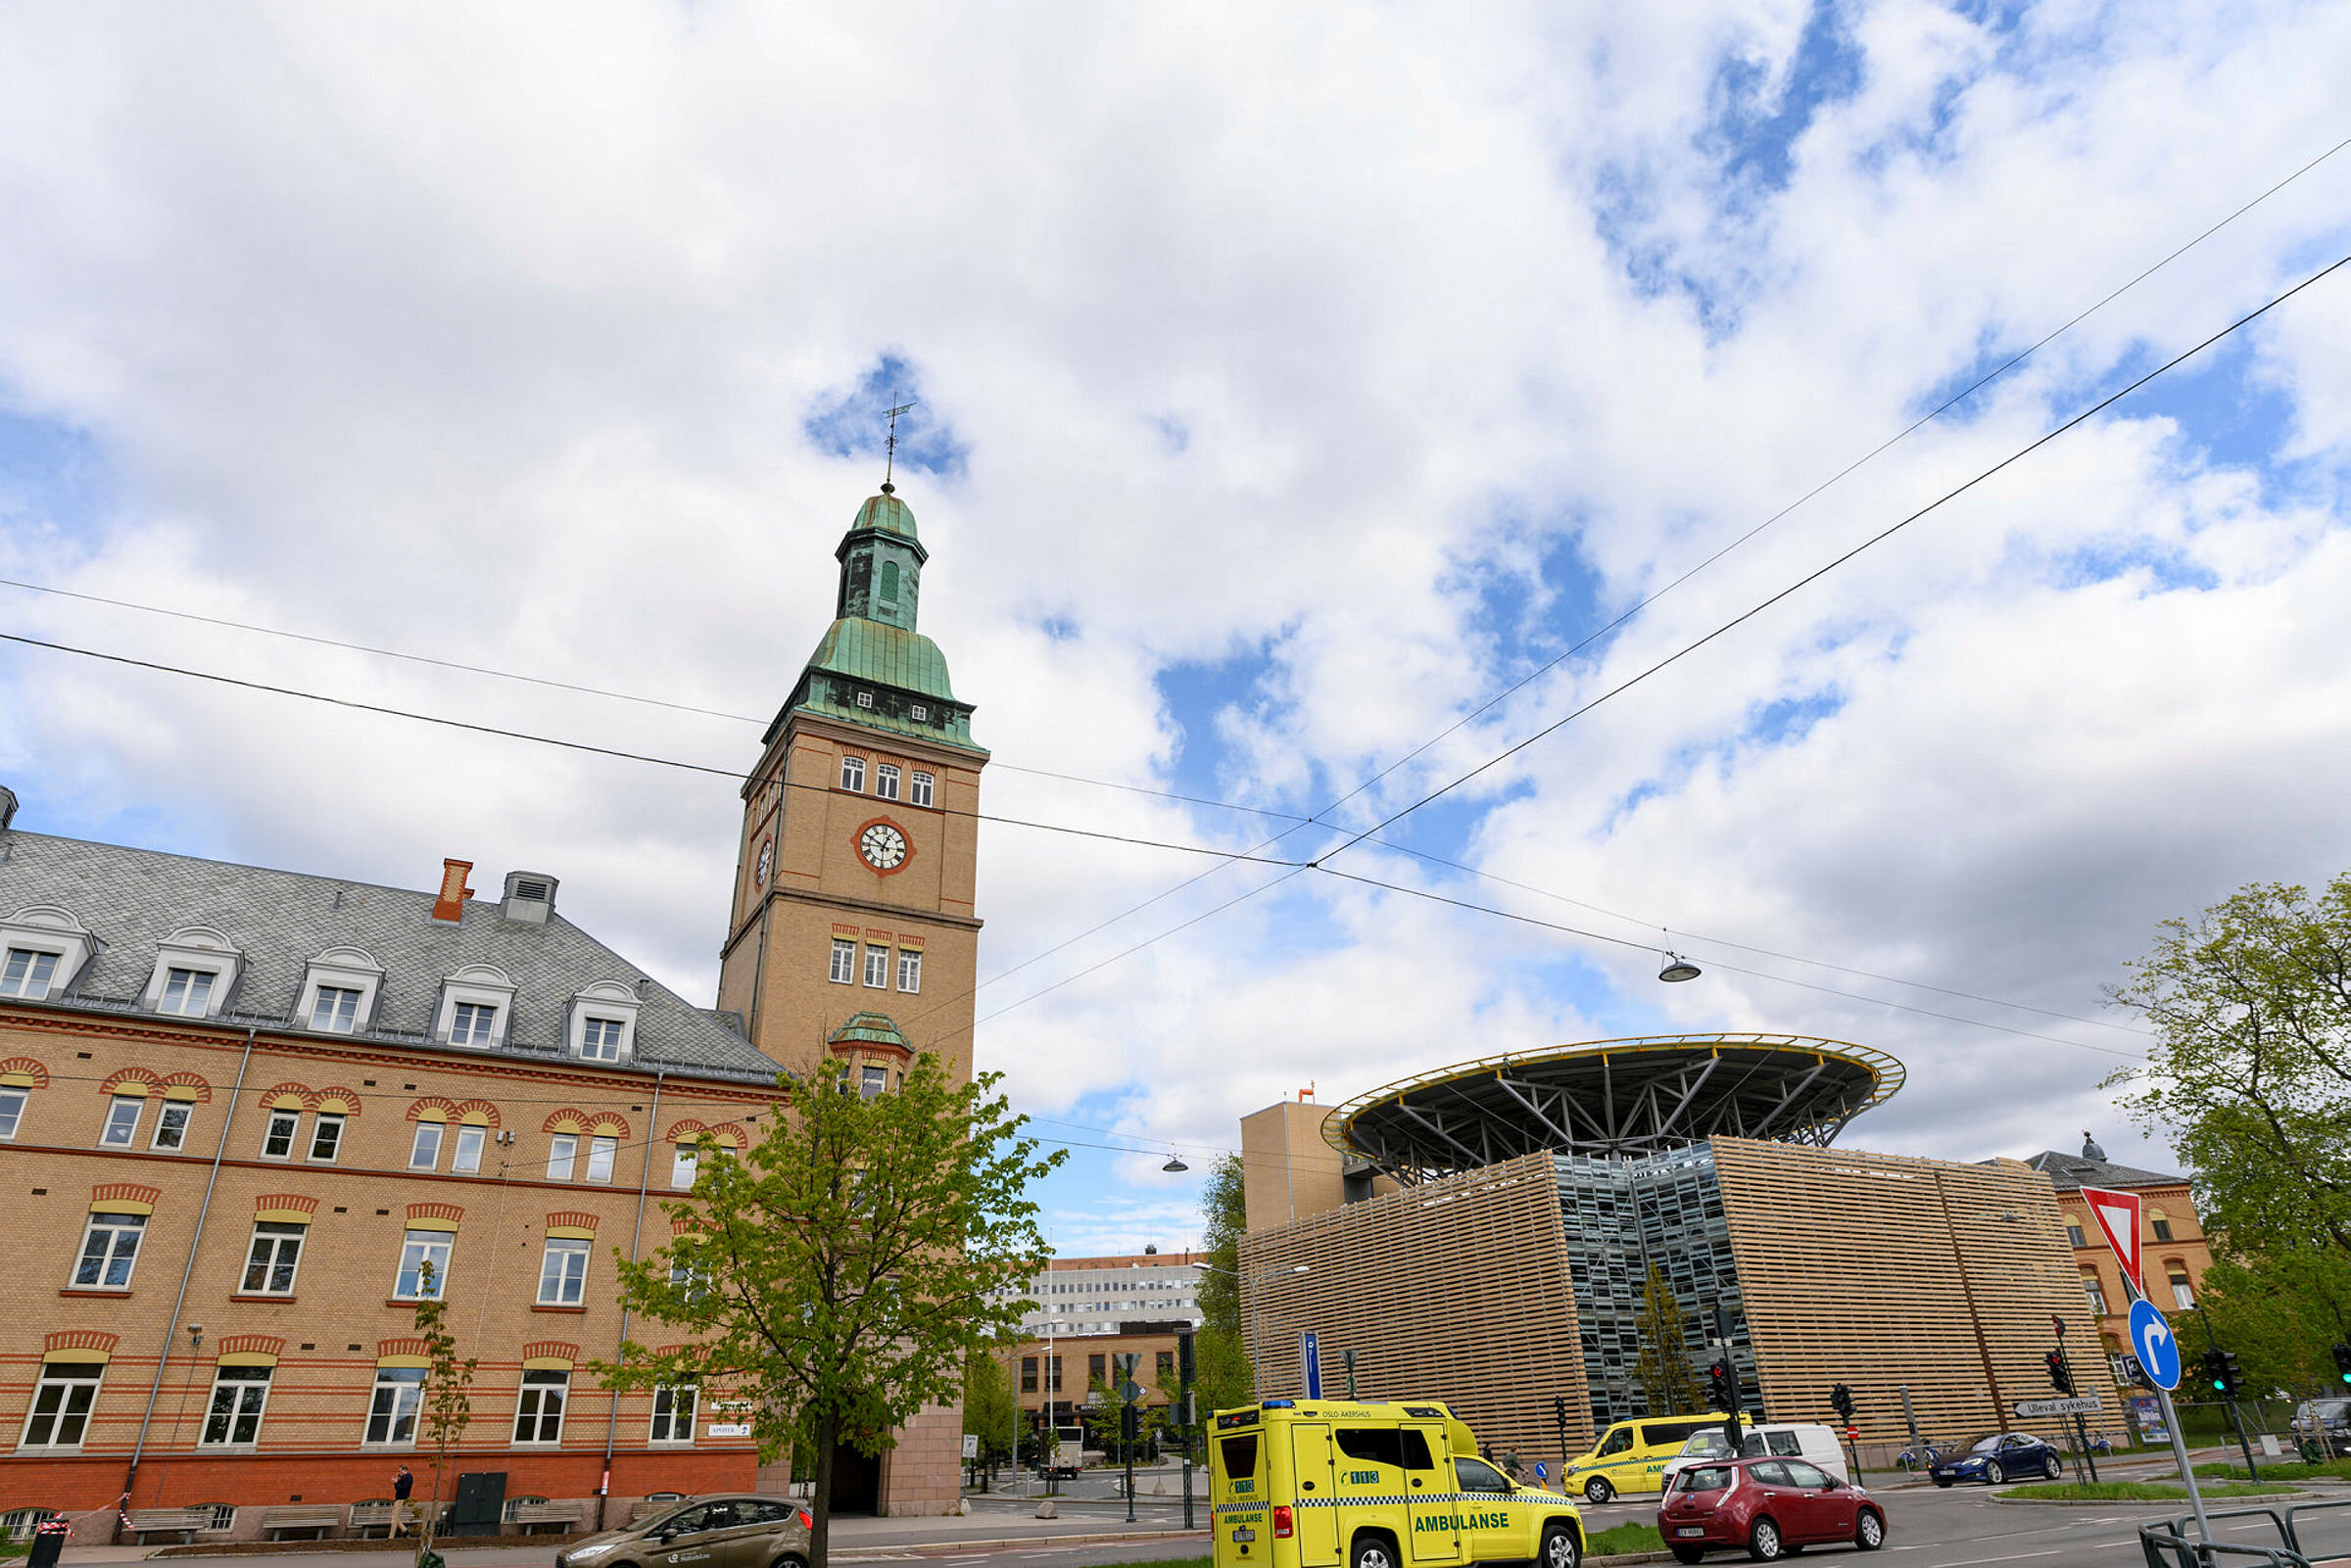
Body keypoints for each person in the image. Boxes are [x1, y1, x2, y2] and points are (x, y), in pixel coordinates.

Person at [392, 1466, 413, 1537]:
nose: (399, 1472)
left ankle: (391, 1536)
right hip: (399, 1498)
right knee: (395, 1517)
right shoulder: (404, 1477)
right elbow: (398, 1488)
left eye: (400, 1471)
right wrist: (397, 1481)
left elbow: (403, 1488)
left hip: (402, 1499)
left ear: (404, 1470)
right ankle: (404, 1530)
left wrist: (396, 1483)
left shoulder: (408, 1477)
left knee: (394, 1518)